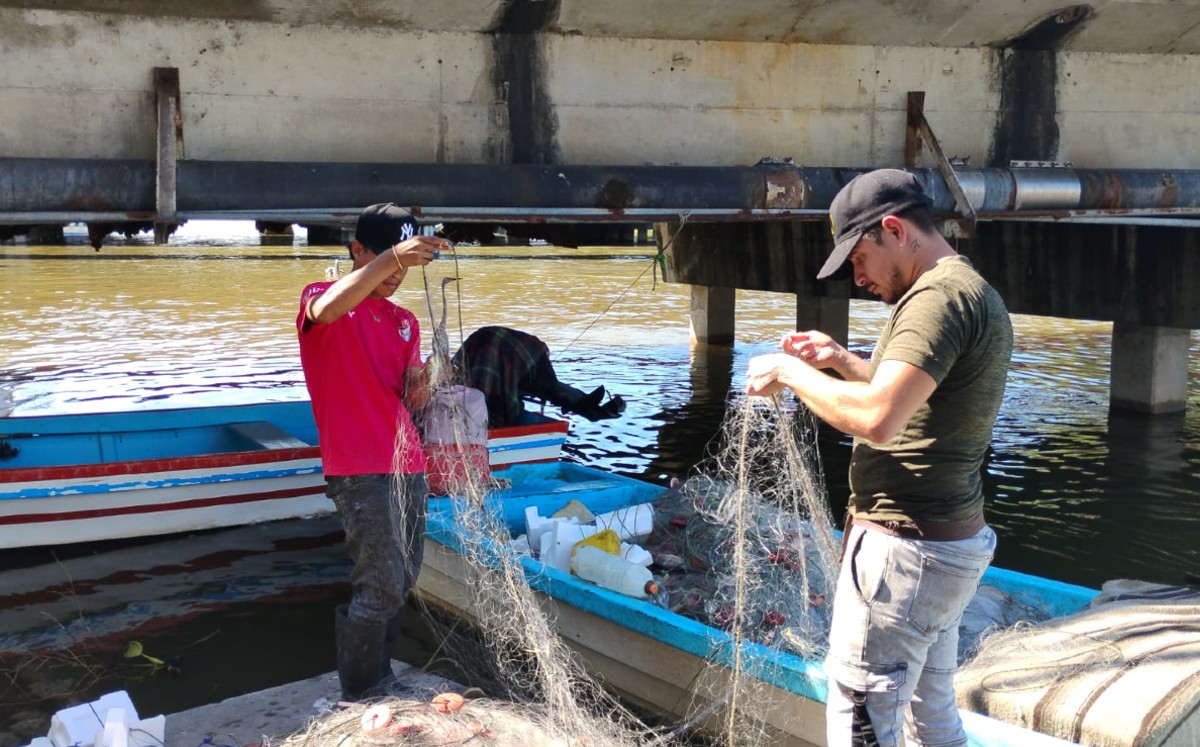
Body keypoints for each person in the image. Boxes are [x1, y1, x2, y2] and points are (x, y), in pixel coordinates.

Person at [744, 169, 1013, 747]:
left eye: (859, 257)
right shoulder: (961, 289)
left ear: (894, 229)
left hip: (907, 554)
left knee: (859, 723)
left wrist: (789, 372)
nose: (856, 275)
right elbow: (907, 394)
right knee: (930, 716)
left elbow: (878, 420)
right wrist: (841, 360)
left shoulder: (934, 301)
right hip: (947, 546)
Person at [296, 202, 448, 701]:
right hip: (360, 467)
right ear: (358, 250)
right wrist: (395, 258)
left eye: (406, 264)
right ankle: (363, 691)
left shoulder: (405, 322)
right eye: (387, 258)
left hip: (408, 464)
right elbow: (327, 310)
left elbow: (407, 398)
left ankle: (382, 674)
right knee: (379, 581)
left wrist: (422, 384)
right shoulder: (322, 298)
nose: (398, 273)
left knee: (404, 576)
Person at [452, 325, 626, 428]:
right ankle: (589, 408)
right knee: (549, 388)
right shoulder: (525, 369)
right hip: (502, 347)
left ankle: (589, 407)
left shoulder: (470, 378)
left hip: (496, 345)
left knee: (549, 388)